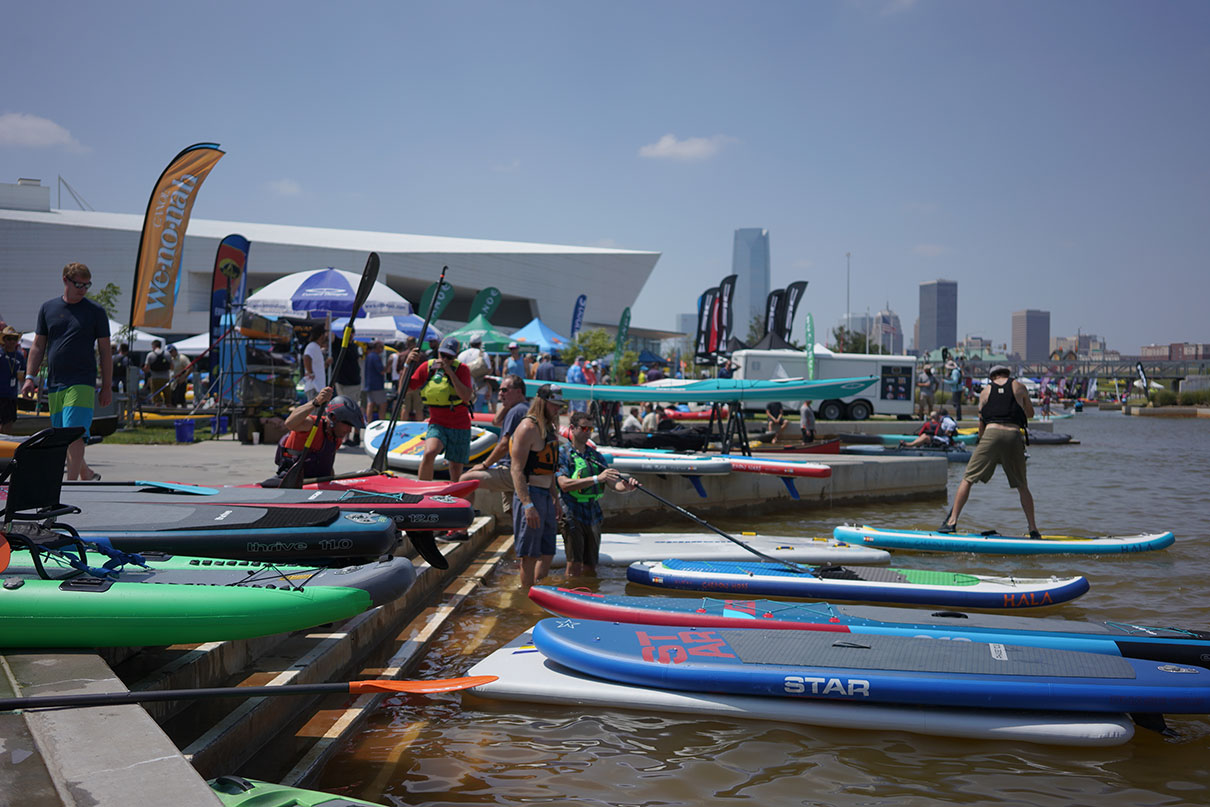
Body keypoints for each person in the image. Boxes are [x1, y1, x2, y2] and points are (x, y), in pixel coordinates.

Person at [20, 262, 112, 480]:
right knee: (64, 435)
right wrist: (29, 377)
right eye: (78, 284)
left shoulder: (95, 311)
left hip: (82, 380)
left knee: (73, 434)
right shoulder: (48, 308)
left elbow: (106, 351)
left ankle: (70, 486)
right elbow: (38, 345)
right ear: (65, 281)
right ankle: (86, 473)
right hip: (55, 382)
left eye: (86, 285)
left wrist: (107, 386)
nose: (83, 289)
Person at [940, 365, 1039, 538]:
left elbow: (981, 424)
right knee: (1022, 485)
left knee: (968, 478)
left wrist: (982, 443)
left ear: (992, 377)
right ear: (1008, 375)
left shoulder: (985, 392)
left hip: (991, 433)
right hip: (1013, 435)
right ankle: (1033, 529)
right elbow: (1030, 413)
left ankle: (952, 522)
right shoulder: (1019, 386)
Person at [557, 409, 638, 577]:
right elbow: (564, 484)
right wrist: (596, 479)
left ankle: (590, 592)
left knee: (591, 565)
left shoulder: (596, 456)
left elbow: (613, 484)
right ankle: (570, 594)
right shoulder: (562, 454)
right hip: (572, 512)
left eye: (591, 429)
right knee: (574, 564)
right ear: (572, 428)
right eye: (584, 428)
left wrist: (627, 487)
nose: (588, 433)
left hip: (593, 513)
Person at [510, 383, 567, 589]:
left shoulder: (549, 429)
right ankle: (525, 596)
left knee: (548, 550)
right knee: (529, 553)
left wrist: (556, 498)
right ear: (543, 402)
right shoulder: (528, 428)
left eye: (559, 406)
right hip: (530, 494)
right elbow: (516, 470)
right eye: (554, 405)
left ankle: (539, 589)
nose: (557, 410)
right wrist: (527, 504)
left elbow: (550, 470)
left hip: (545, 494)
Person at [459, 374, 530, 538]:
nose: (500, 394)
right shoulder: (519, 408)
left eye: (505, 390)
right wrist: (506, 404)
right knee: (514, 512)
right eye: (499, 391)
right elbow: (496, 422)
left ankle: (460, 530)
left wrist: (484, 464)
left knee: (466, 479)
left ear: (519, 392)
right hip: (515, 470)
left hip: (512, 470)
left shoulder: (516, 411)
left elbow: (504, 445)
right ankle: (522, 547)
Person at [406, 335, 474, 481]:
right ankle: (423, 491)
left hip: (460, 425)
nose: (445, 360)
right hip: (438, 423)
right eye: (442, 355)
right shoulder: (428, 368)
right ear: (438, 352)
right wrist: (407, 366)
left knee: (456, 470)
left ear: (455, 357)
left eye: (449, 357)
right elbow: (404, 390)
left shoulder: (462, 370)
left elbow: (466, 397)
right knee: (429, 452)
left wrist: (450, 373)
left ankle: (454, 497)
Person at [269, 386, 366, 482]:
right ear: (333, 418)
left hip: (316, 484)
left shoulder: (336, 438)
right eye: (347, 424)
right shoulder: (311, 425)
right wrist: (316, 402)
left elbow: (328, 466)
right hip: (292, 482)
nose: (349, 430)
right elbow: (289, 423)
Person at [332, 330, 362, 447]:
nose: (350, 334)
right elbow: (331, 335)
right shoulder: (337, 344)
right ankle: (345, 437)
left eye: (351, 332)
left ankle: (355, 435)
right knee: (342, 410)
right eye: (347, 332)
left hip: (353, 383)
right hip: (341, 382)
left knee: (352, 409)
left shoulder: (354, 347)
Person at [1, 326, 26, 434]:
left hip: (12, 394)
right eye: (9, 338)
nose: (12, 341)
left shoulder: (19, 356)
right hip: (0, 394)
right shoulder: (1, 354)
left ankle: (6, 441)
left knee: (10, 421)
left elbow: (24, 372)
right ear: (4, 339)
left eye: (14, 339)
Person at [457, 335, 490, 412]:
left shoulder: (461, 355)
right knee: (479, 415)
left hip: (464, 388)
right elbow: (489, 370)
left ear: (470, 343)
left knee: (465, 412)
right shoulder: (484, 355)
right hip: (480, 388)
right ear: (480, 344)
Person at [362, 340, 388, 423]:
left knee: (371, 403)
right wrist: (389, 365)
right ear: (378, 348)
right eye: (382, 348)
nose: (383, 350)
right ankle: (382, 422)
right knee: (383, 404)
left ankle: (368, 422)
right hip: (377, 385)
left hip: (369, 384)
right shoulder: (376, 357)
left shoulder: (369, 356)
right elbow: (381, 371)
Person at [302, 324, 328, 402]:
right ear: (321, 335)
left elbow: (318, 367)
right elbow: (306, 357)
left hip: (318, 387)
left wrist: (326, 364)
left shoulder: (316, 347)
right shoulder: (312, 346)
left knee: (318, 412)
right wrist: (311, 373)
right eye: (324, 334)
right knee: (314, 412)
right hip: (314, 386)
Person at [143, 339, 171, 406]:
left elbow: (147, 368)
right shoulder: (167, 354)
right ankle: (169, 412)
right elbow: (172, 366)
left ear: (154, 346)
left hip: (155, 378)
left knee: (156, 399)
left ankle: (158, 412)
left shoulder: (150, 355)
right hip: (166, 378)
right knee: (168, 399)